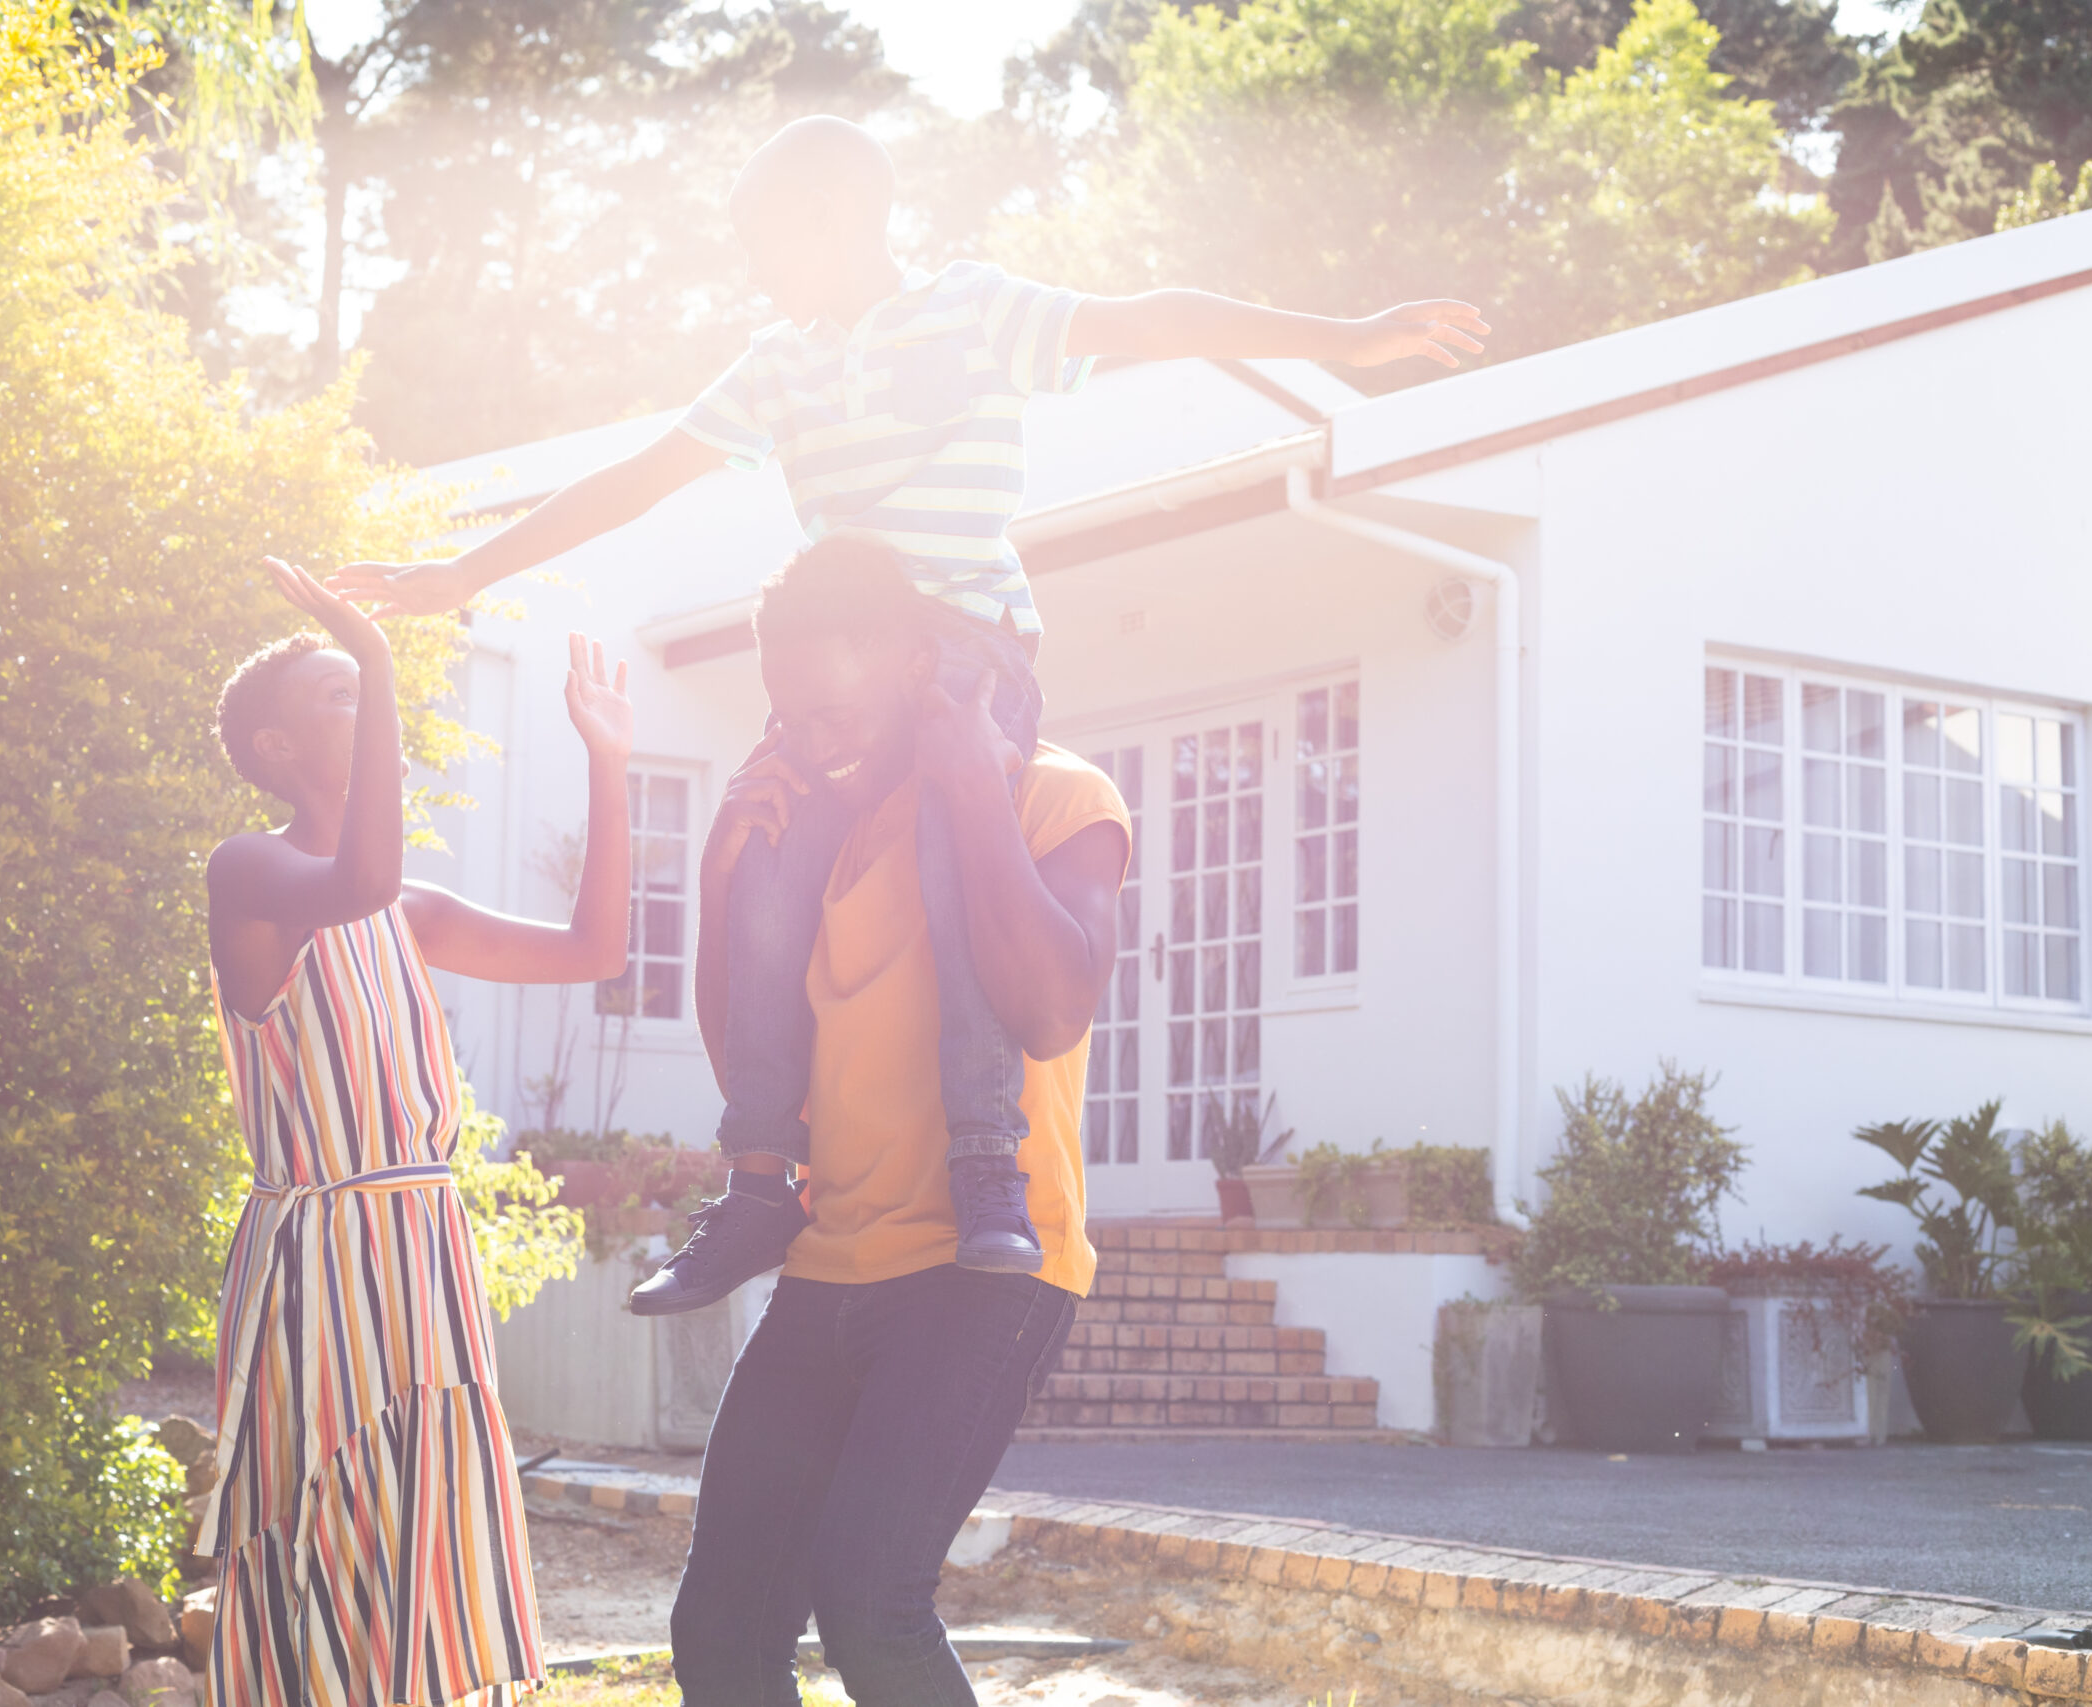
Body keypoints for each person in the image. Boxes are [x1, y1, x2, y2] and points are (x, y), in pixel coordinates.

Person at [328, 114, 1488, 1314]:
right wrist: (463, 578)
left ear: (835, 218)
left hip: (960, 661)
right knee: (767, 871)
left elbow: (1155, 315)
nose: (752, 268)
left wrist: (1344, 334)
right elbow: (636, 479)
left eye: (763, 240)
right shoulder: (776, 365)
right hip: (835, 673)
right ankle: (760, 1183)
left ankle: (989, 1171)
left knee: (950, 861)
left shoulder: (975, 311)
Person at [665, 534, 1132, 1706]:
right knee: (719, 1627)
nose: (815, 751)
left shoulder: (1057, 792)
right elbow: (755, 1062)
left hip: (981, 1273)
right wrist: (731, 868)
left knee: (869, 1607)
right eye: (790, 724)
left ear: (918, 667)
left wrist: (971, 779)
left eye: (837, 716)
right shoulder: (824, 844)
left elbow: (1050, 1008)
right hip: (829, 1267)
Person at [198, 557, 636, 1705]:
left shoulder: (409, 908)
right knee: (322, 1527)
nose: (371, 706)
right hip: (323, 1252)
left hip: (423, 1246)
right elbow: (356, 876)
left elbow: (594, 953)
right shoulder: (250, 872)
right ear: (275, 750)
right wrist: (384, 652)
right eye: (339, 695)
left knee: (433, 1519)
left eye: (366, 686)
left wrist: (609, 761)